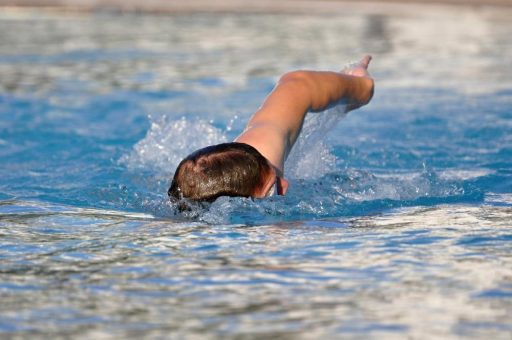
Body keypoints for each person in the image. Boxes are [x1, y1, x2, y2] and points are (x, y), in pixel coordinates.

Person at [168, 55, 374, 203]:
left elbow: (297, 85)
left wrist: (360, 87)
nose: (285, 185)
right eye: (272, 190)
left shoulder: (265, 145)